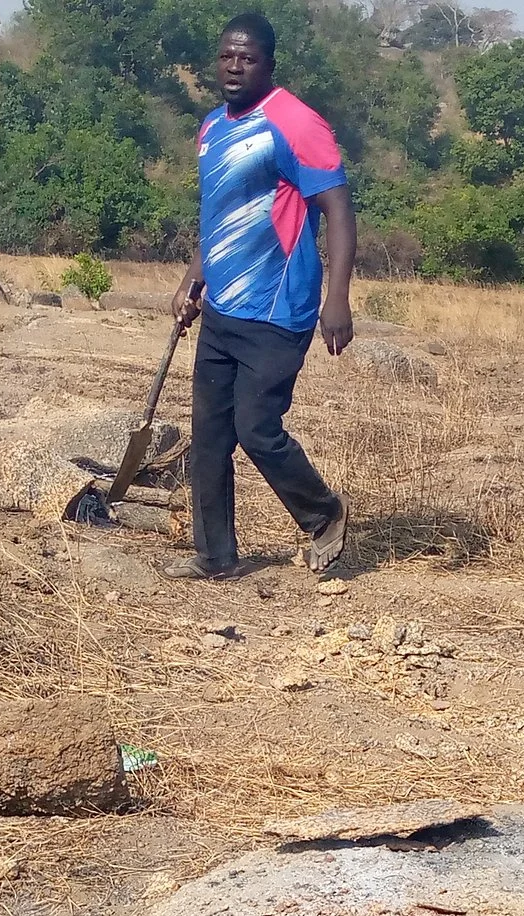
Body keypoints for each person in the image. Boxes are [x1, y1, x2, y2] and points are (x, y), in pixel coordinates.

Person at [166, 12, 357, 581]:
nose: (234, 65)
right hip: (222, 308)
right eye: (226, 55)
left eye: (246, 57)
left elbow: (340, 212)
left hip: (279, 310)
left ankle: (323, 514)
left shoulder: (296, 123)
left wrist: (338, 297)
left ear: (269, 63)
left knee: (257, 429)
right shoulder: (212, 127)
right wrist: (191, 280)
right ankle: (215, 557)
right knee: (209, 439)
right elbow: (219, 217)